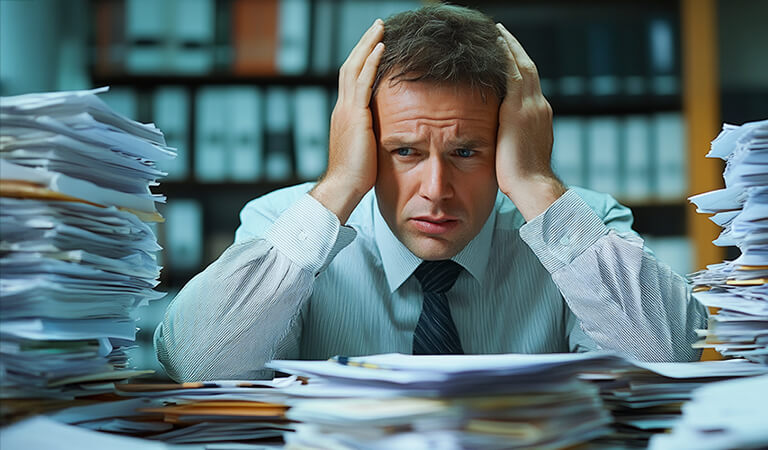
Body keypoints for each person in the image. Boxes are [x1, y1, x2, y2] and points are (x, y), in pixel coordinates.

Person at [155, 4, 707, 382]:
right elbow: (198, 365)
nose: (436, 191)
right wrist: (340, 184)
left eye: (467, 152)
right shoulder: (286, 227)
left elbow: (670, 359)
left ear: (513, 141)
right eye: (405, 152)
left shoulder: (581, 228)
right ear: (363, 140)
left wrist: (537, 183)